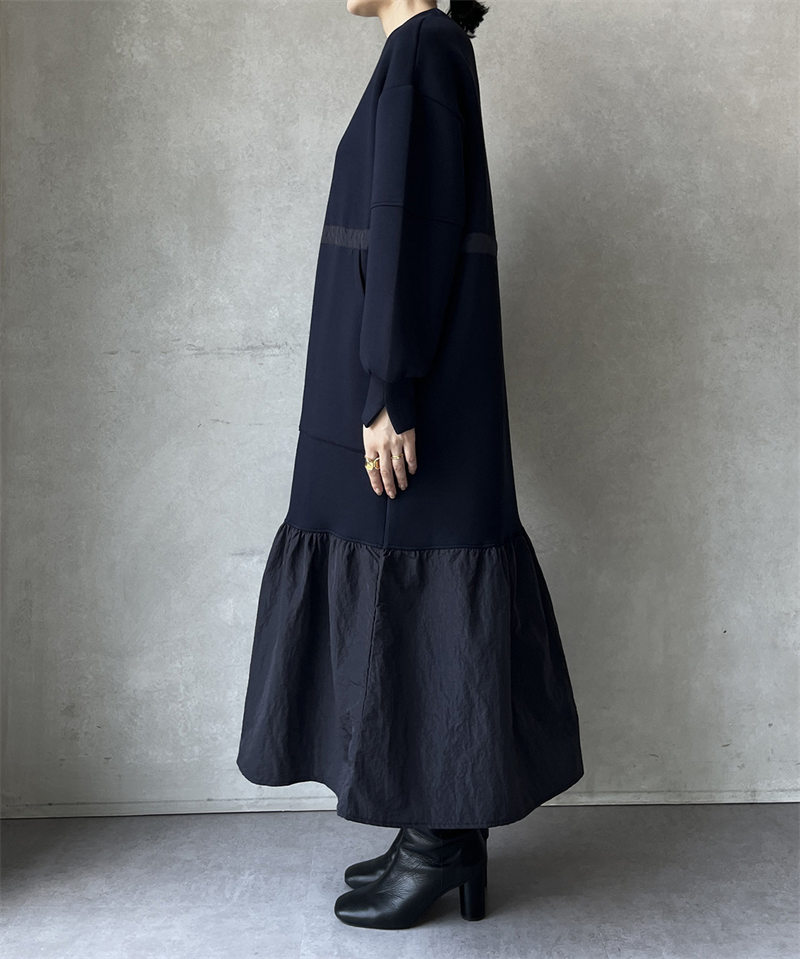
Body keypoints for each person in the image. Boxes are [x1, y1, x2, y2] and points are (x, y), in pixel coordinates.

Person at [236, 0, 584, 929]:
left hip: (401, 392)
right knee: (413, 591)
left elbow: (409, 231)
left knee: (419, 592)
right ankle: (436, 833)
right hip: (398, 382)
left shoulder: (423, 49)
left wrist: (389, 387)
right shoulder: (422, 52)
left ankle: (438, 843)